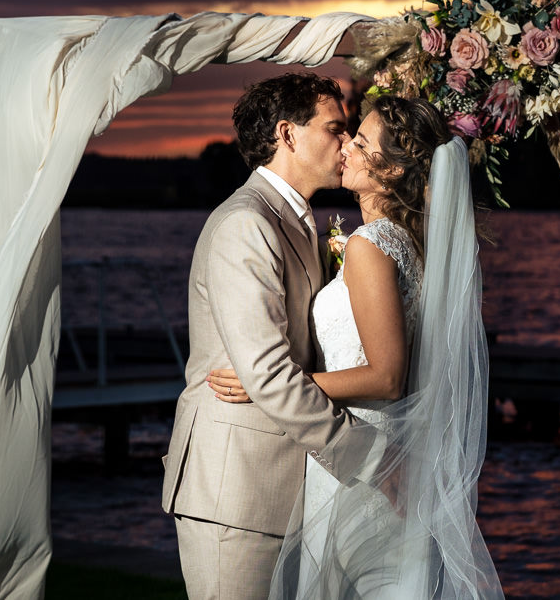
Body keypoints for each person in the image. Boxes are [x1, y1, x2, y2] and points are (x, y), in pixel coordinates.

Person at [206, 95, 504, 599]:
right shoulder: (401, 242)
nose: (345, 147)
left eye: (361, 142)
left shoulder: (371, 245)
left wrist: (269, 387)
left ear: (388, 169)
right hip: (367, 452)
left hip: (368, 461)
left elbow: (387, 375)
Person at [162, 72, 381, 600]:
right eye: (335, 129)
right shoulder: (246, 222)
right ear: (287, 134)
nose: (346, 142)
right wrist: (369, 457)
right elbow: (269, 373)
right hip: (235, 491)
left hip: (279, 486)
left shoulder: (297, 219)